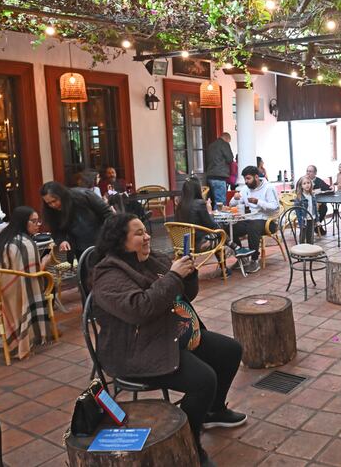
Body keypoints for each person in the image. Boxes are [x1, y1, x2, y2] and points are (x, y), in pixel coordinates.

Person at [91, 213, 245, 466]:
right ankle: (190, 443)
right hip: (135, 351)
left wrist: (188, 274)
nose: (147, 236)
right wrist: (174, 277)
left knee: (230, 351)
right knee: (203, 380)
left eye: (146, 230)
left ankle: (212, 411)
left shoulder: (151, 260)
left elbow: (187, 295)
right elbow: (139, 309)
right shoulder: (108, 275)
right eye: (139, 233)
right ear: (120, 241)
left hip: (169, 335)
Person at [0, 206, 54, 358]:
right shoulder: (26, 244)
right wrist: (46, 260)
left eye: (38, 221)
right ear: (23, 222)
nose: (38, 224)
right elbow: (33, 276)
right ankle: (35, 332)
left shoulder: (2, 239)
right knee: (51, 285)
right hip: (16, 295)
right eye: (34, 221)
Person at [174, 176, 252, 260]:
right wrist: (209, 211)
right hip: (199, 244)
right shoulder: (199, 203)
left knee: (218, 231)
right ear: (196, 189)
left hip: (183, 245)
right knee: (220, 232)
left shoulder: (180, 205)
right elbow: (210, 224)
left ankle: (236, 249)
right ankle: (232, 255)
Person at [41, 181, 114, 261]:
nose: (53, 205)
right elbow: (56, 231)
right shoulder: (51, 211)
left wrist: (108, 235)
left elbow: (108, 214)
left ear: (61, 195)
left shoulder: (83, 195)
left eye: (54, 201)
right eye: (49, 203)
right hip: (80, 247)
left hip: (102, 242)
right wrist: (62, 241)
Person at [229, 166, 280, 274]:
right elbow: (231, 204)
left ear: (256, 177)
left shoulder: (268, 188)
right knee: (230, 227)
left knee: (253, 226)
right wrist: (235, 198)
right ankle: (242, 258)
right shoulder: (246, 189)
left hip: (268, 221)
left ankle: (254, 260)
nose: (246, 182)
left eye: (248, 179)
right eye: (245, 179)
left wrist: (258, 202)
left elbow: (275, 206)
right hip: (250, 219)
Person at [206, 133, 234, 206]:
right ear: (227, 139)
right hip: (219, 176)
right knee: (220, 202)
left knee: (213, 200)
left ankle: (213, 215)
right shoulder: (224, 144)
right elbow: (230, 159)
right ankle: (219, 217)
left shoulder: (211, 145)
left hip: (210, 176)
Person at [305, 165, 331, 235]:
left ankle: (316, 225)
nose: (308, 173)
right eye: (307, 171)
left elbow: (328, 188)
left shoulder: (319, 181)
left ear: (315, 173)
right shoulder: (303, 180)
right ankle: (316, 226)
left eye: (310, 171)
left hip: (318, 203)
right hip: (306, 204)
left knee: (324, 208)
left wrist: (332, 187)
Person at [294, 176, 317, 243]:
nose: (307, 185)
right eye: (304, 183)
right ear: (301, 186)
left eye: (308, 183)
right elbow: (298, 212)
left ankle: (310, 249)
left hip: (311, 218)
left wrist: (317, 220)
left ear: (311, 184)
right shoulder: (299, 197)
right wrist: (301, 222)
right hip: (304, 220)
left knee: (310, 236)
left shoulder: (312, 196)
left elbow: (315, 208)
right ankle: (301, 250)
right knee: (302, 237)